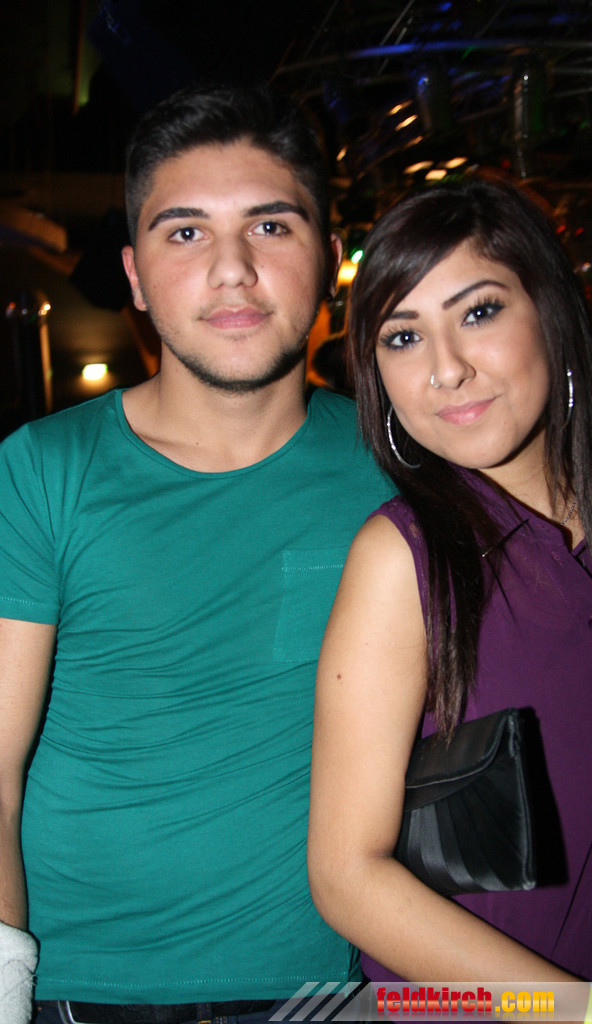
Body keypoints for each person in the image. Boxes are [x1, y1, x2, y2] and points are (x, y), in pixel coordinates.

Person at [0, 82, 393, 1024]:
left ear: (330, 257)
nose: (231, 271)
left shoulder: (397, 471)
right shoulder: (43, 469)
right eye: (185, 233)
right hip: (74, 988)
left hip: (327, 989)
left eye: (270, 227)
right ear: (135, 276)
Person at [307, 178, 592, 986]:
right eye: (402, 338)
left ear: (550, 312)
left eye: (478, 313)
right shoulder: (399, 560)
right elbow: (346, 876)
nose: (445, 369)